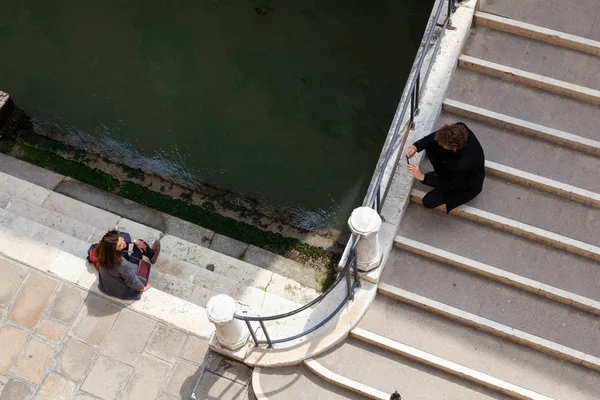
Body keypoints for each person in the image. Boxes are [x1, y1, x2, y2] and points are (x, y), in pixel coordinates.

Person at [404, 122, 485, 213]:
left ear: (454, 148)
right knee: (432, 145)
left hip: (465, 185)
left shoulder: (462, 164)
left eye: (442, 144)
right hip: (456, 169)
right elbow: (436, 136)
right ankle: (439, 174)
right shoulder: (459, 128)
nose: (440, 144)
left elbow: (450, 184)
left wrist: (422, 177)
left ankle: (439, 178)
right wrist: (416, 146)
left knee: (428, 202)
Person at [95, 230, 160, 300]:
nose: (124, 243)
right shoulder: (122, 264)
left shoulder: (102, 252)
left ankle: (150, 254)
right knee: (140, 245)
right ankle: (153, 256)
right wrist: (143, 287)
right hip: (122, 291)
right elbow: (132, 281)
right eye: (120, 245)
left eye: (122, 240)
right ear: (113, 251)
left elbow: (123, 234)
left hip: (105, 287)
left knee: (136, 242)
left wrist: (135, 241)